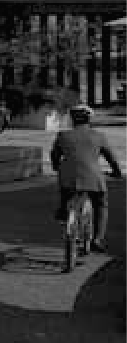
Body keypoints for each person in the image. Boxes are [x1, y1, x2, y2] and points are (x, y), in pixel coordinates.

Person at [50, 104, 122, 252]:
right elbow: (112, 159)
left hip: (68, 177)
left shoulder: (63, 135)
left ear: (72, 119)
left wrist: (57, 166)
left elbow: (54, 155)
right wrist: (117, 172)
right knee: (101, 204)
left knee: (66, 192)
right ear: (89, 119)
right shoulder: (98, 136)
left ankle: (63, 210)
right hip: (93, 178)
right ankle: (97, 239)